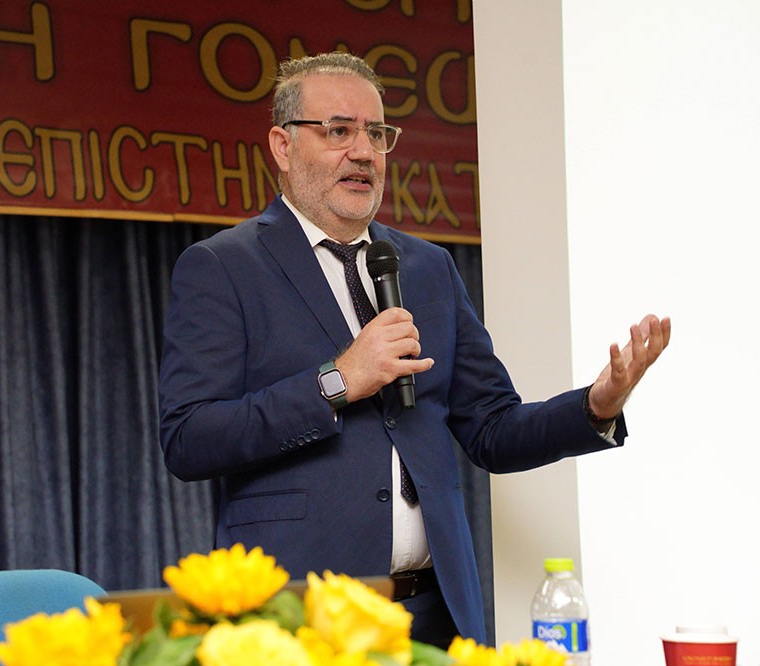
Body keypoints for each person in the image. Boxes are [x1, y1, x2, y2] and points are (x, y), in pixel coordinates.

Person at [158, 52, 670, 648]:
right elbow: (189, 438)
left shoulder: (427, 268)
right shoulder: (223, 267)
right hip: (301, 620)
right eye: (339, 131)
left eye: (376, 134)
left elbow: (493, 430)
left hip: (434, 616)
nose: (364, 151)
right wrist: (337, 381)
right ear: (282, 146)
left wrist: (596, 406)